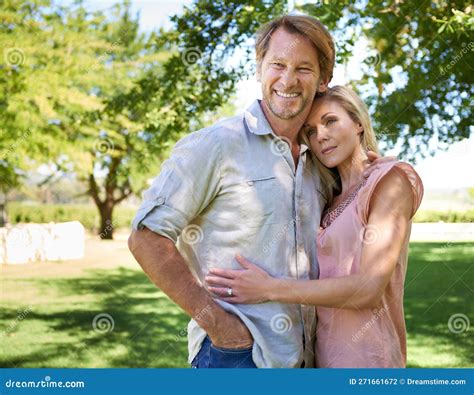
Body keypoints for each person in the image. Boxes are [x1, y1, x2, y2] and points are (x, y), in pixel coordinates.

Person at [129, 15, 383, 368]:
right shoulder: (216, 145)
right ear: (260, 68)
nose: (288, 80)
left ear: (324, 80)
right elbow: (146, 237)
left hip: (308, 359)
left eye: (304, 69)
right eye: (277, 64)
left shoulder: (320, 163)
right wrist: (220, 327)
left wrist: (371, 167)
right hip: (236, 356)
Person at [205, 85, 424, 368]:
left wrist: (269, 288)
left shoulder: (388, 180)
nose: (320, 135)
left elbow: (369, 289)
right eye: (310, 131)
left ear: (358, 123)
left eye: (330, 121)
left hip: (370, 360)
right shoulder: (328, 198)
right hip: (323, 360)